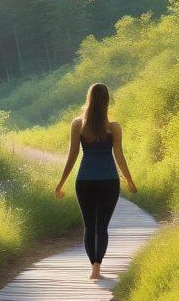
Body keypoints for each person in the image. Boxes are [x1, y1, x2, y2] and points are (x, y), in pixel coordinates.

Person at [54, 82, 137, 280]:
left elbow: (72, 156)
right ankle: (98, 267)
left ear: (88, 99)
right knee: (102, 227)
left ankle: (93, 269)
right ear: (107, 101)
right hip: (109, 182)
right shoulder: (114, 127)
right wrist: (130, 181)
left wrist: (61, 183)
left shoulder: (78, 125)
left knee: (90, 226)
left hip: (85, 182)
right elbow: (119, 157)